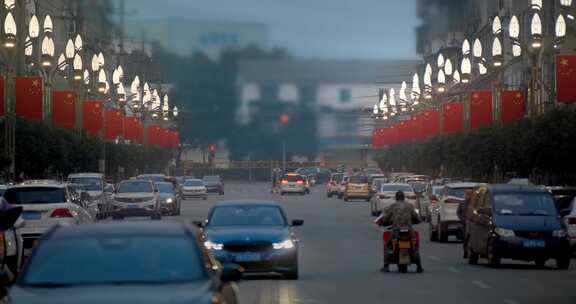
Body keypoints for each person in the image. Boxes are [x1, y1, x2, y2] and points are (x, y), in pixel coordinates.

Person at [378, 191, 423, 273]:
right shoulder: (410, 206)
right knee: (415, 245)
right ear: (403, 197)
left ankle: (386, 266)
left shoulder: (393, 206)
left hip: (396, 230)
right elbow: (416, 217)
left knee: (389, 245)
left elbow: (385, 218)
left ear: (396, 198)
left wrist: (383, 221)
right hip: (409, 230)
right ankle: (419, 267)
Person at [457, 189, 474, 258]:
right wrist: (462, 219)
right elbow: (458, 212)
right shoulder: (462, 203)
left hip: (472, 224)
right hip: (465, 224)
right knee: (465, 239)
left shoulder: (474, 203)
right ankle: (465, 251)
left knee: (472, 238)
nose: (468, 196)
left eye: (470, 194)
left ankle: (471, 251)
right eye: (467, 194)